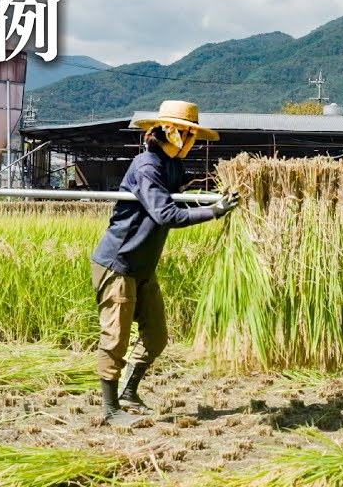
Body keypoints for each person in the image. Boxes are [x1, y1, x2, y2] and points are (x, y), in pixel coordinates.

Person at [91, 100, 239, 427]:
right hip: (119, 263)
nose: (192, 143)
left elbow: (185, 191)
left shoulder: (170, 165)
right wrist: (215, 211)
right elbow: (166, 214)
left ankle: (130, 391)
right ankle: (110, 408)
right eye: (190, 135)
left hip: (143, 266)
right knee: (116, 338)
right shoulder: (147, 166)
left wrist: (218, 188)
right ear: (174, 133)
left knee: (156, 336)